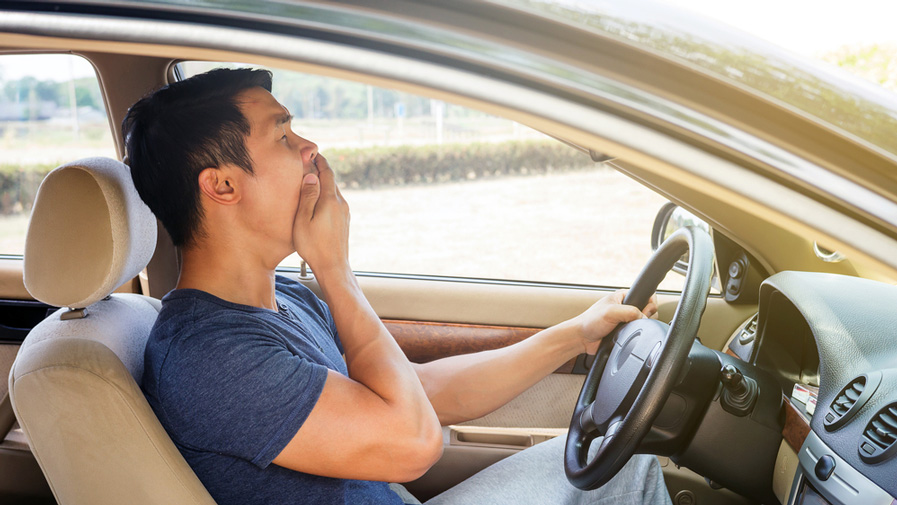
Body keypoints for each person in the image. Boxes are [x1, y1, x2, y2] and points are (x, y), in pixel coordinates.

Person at [125, 67, 671, 505]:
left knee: (617, 458)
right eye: (284, 135)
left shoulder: (283, 299)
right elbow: (412, 442)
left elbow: (420, 394)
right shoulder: (210, 357)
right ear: (221, 185)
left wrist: (574, 336)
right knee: (628, 471)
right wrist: (336, 272)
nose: (310, 147)